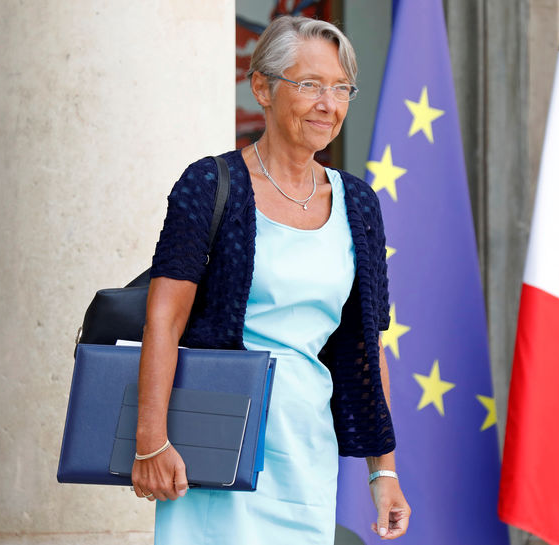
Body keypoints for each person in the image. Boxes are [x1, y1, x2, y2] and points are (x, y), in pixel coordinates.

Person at [130, 15, 411, 544]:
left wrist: (384, 471)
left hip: (305, 448)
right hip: (213, 444)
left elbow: (367, 344)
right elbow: (163, 319)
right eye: (309, 85)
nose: (328, 104)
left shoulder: (359, 204)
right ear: (262, 87)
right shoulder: (210, 183)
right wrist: (151, 439)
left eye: (341, 88)